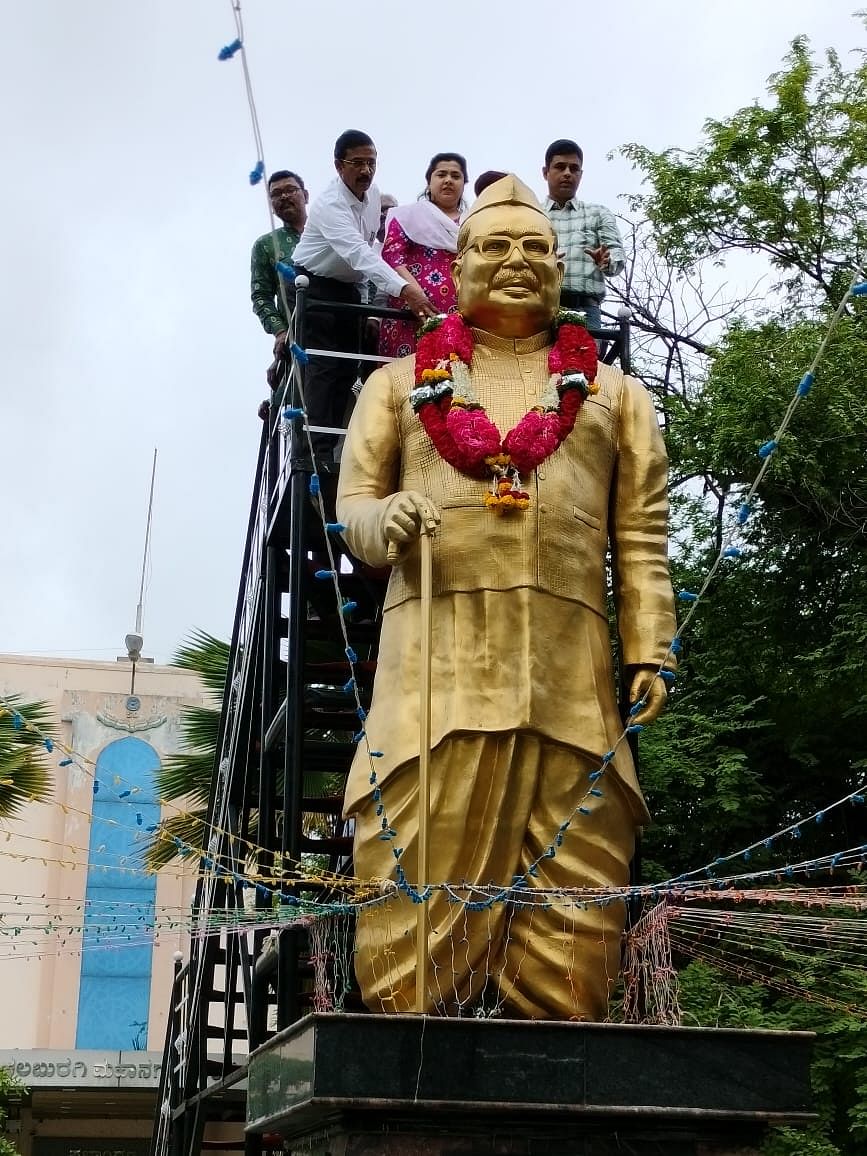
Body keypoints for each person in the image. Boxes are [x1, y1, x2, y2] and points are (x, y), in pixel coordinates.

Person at [336, 175, 676, 1021]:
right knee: (411, 926)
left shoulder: (613, 395)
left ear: (560, 266)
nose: (517, 263)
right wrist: (388, 519)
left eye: (535, 249)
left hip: (572, 688)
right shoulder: (398, 384)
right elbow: (351, 513)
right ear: (458, 265)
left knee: (578, 933)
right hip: (434, 686)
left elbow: (640, 536)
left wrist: (650, 645)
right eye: (495, 247)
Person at [290, 130, 435, 466]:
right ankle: (312, 455)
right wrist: (404, 288)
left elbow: (371, 245)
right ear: (339, 166)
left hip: (347, 286)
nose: (366, 171)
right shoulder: (329, 204)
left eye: (372, 163)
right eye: (358, 163)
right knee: (323, 367)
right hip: (313, 282)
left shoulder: (373, 197)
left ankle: (329, 448)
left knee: (347, 367)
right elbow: (358, 253)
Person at [377, 153, 468, 360]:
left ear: (463, 184)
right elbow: (391, 256)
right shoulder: (407, 216)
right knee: (404, 382)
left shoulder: (473, 222)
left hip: (459, 318)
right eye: (441, 174)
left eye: (456, 176)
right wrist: (416, 295)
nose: (448, 180)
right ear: (429, 182)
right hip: (409, 314)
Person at [542, 138, 625, 330]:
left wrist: (606, 260)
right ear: (546, 172)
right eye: (560, 167)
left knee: (586, 360)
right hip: (541, 308)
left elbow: (618, 258)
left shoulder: (598, 213)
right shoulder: (532, 215)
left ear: (581, 174)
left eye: (574, 169)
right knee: (537, 361)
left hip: (586, 311)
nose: (567, 174)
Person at [250, 170, 309, 358]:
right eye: (276, 194)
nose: (284, 196)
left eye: (291, 190)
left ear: (305, 196)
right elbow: (261, 295)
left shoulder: (328, 231)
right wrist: (280, 331)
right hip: (297, 336)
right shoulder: (266, 245)